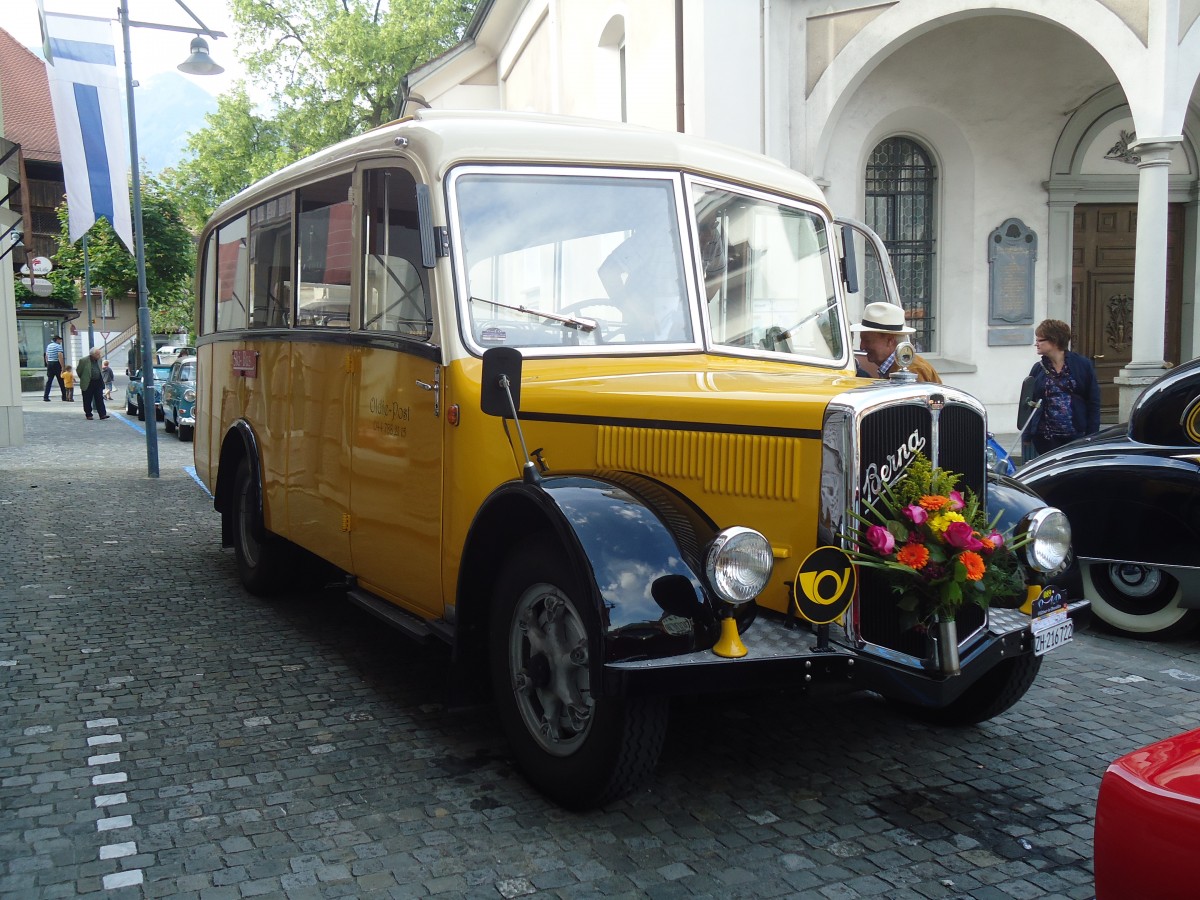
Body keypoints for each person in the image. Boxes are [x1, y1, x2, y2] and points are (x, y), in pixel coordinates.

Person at [1021, 318, 1100, 459]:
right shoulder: (1038, 369)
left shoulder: (1082, 365)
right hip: (1045, 438)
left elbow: (1093, 401)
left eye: (1040, 340)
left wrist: (1092, 435)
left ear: (1054, 341)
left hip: (1076, 435)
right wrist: (1027, 435)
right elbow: (1029, 403)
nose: (1036, 344)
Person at [850, 302, 942, 383]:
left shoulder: (911, 372)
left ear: (889, 341)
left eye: (867, 341)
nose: (862, 346)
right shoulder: (896, 367)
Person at [77, 347, 110, 421]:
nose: (99, 355)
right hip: (88, 382)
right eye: (97, 354)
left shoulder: (99, 360)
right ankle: (88, 414)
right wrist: (84, 378)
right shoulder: (83, 360)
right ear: (92, 355)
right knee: (87, 399)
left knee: (99, 398)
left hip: (97, 381)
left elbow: (100, 369)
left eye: (99, 354)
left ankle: (102, 414)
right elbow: (79, 371)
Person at [43, 334, 67, 401]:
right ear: (57, 340)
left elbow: (46, 355)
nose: (61, 341)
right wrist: (62, 366)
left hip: (50, 363)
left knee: (49, 381)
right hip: (56, 363)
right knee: (61, 380)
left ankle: (46, 396)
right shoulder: (58, 346)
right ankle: (64, 397)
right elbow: (60, 356)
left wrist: (48, 363)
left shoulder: (49, 346)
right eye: (60, 339)